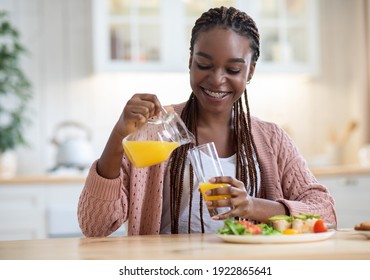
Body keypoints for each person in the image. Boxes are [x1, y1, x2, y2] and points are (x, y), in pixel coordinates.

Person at [78, 6, 337, 237]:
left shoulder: (272, 139)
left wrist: (253, 206)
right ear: (190, 62)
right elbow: (95, 226)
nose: (216, 79)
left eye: (233, 70)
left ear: (250, 71)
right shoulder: (156, 130)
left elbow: (325, 212)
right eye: (204, 64)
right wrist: (118, 134)